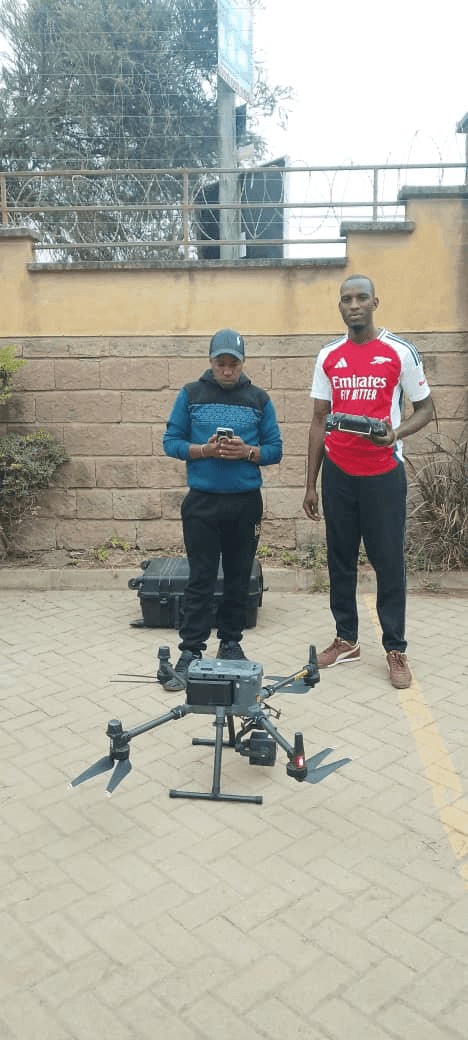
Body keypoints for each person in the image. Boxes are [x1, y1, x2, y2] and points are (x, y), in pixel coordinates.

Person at [303, 275, 434, 690]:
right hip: (339, 472)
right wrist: (311, 483)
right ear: (339, 307)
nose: (354, 305)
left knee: (389, 562)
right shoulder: (328, 355)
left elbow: (426, 409)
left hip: (383, 472)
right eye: (346, 299)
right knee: (339, 559)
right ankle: (346, 639)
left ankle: (395, 647)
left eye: (361, 298)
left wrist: (395, 434)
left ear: (375, 301)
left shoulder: (400, 352)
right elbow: (319, 419)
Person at [162, 328, 282, 690]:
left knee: (238, 576)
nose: (227, 370)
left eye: (233, 364)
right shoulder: (191, 394)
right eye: (221, 363)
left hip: (245, 503)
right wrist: (204, 450)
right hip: (201, 502)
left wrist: (247, 452)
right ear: (211, 362)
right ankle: (191, 650)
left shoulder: (259, 399)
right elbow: (171, 441)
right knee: (200, 577)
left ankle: (230, 644)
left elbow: (275, 450)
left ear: (242, 363)